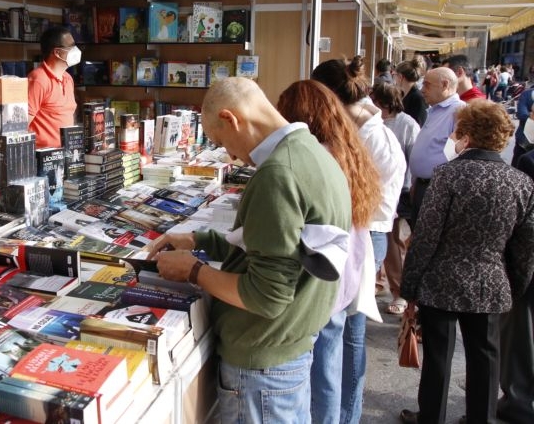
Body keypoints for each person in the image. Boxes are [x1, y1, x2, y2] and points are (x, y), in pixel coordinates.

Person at [147, 77, 352, 423]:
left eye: (220, 141)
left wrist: (193, 270)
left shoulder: (277, 175)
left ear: (230, 119)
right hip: (286, 354)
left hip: (262, 368)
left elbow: (266, 296)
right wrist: (199, 241)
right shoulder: (313, 153)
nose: (229, 155)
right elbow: (279, 248)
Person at [399, 100, 534, 424]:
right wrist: (514, 285)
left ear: (467, 135)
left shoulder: (448, 175)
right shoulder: (521, 183)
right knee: (485, 358)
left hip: (441, 280)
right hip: (490, 281)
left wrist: (409, 286)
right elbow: (526, 245)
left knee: (438, 357)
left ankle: (431, 417)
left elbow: (426, 235)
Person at [277, 79, 382, 424]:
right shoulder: (347, 148)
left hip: (323, 279)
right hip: (343, 273)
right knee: (329, 364)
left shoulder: (317, 156)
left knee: (319, 367)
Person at [312, 57, 405, 424]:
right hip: (357, 232)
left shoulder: (371, 137)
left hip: (363, 234)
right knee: (341, 333)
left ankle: (344, 415)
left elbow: (362, 202)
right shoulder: (359, 128)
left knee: (345, 334)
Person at [370, 81, 420, 316]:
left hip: (399, 191)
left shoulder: (406, 124)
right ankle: (378, 282)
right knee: (381, 241)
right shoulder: (374, 123)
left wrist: (408, 188)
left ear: (384, 103)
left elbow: (413, 158)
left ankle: (399, 291)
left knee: (394, 242)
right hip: (375, 191)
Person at [502, 123, 534, 424]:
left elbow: (524, 224)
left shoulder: (529, 162)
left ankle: (519, 400)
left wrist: (518, 275)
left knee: (522, 337)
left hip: (528, 264)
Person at [407, 67, 465, 230]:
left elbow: (459, 154)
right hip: (424, 185)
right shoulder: (435, 110)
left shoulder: (458, 111)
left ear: (445, 85)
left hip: (438, 189)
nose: (422, 90)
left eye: (427, 85)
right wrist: (417, 180)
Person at [27, 25, 79, 149]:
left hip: (66, 151)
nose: (76, 50)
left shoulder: (68, 78)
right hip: (43, 155)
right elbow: (22, 123)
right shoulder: (38, 79)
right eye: (71, 46)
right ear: (57, 52)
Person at [394, 57, 428, 127]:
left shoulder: (418, 98)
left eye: (395, 75)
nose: (394, 78)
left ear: (400, 77)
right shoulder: (403, 94)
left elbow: (418, 125)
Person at [512, 85, 534, 168]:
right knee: (517, 168)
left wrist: (531, 115)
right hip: (523, 142)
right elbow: (522, 115)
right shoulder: (527, 94)